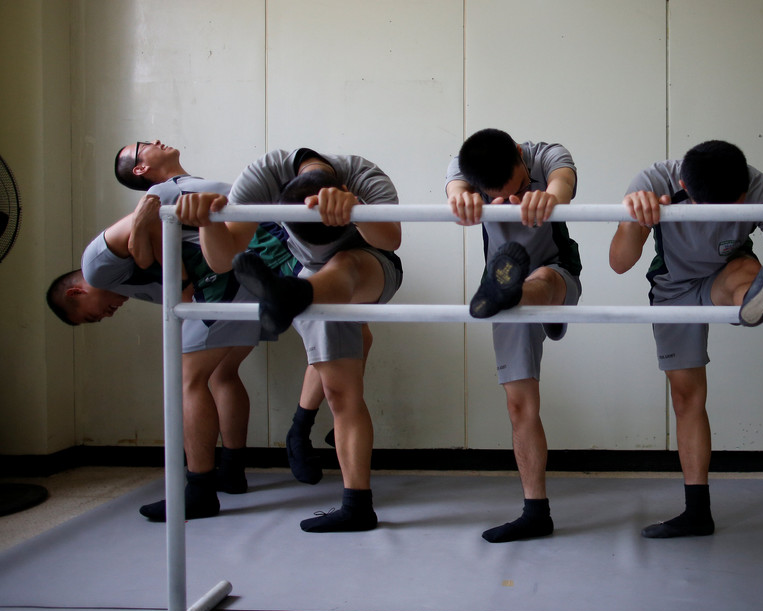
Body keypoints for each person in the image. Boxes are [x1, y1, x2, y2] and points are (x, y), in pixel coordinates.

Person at [47, 141, 299, 521]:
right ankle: (230, 472)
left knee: (190, 379)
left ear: (76, 292)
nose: (105, 316)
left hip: (231, 273)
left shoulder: (96, 265)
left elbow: (148, 226)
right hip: (248, 271)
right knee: (222, 374)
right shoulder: (124, 281)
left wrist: (180, 279)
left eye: (92, 316)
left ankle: (199, 488)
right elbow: (149, 240)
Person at [177, 148, 402, 533]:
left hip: (369, 265)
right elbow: (220, 260)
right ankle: (357, 507)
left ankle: (290, 295)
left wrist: (356, 209)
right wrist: (207, 222)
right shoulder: (264, 175)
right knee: (340, 391)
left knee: (344, 265)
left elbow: (391, 239)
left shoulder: (364, 175)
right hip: (307, 273)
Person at [611, 139, 763, 538]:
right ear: (683, 185)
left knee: (749, 271)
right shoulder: (653, 180)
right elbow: (620, 264)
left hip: (727, 275)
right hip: (672, 288)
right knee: (686, 398)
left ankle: (755, 300)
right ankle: (698, 512)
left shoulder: (756, 186)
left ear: (743, 192)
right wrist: (633, 220)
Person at [444, 128, 582, 543]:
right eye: (496, 199)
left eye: (519, 189)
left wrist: (549, 197)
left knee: (542, 279)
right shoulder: (464, 168)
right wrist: (461, 199)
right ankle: (535, 512)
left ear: (522, 158)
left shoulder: (548, 155)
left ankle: (534, 302)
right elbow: (454, 187)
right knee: (519, 403)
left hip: (551, 273)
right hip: (499, 292)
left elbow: (564, 182)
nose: (507, 203)